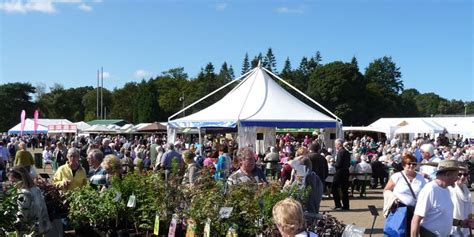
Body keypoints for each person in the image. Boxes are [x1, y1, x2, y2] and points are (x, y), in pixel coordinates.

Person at [411, 160, 474, 236]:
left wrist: (460, 223)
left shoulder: (446, 189)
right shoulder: (430, 190)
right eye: (456, 175)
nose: (457, 178)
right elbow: (416, 220)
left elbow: (444, 217)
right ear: (447, 174)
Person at [383, 154, 426, 235]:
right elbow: (386, 190)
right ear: (403, 165)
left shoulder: (420, 178)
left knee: (412, 233)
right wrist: (393, 199)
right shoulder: (397, 176)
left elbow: (425, 192)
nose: (411, 166)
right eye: (409, 163)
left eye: (414, 164)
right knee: (398, 232)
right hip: (399, 209)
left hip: (415, 210)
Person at [8, 166, 51, 235]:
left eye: (13, 181)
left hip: (29, 230)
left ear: (20, 180)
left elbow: (22, 215)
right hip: (40, 227)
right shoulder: (36, 189)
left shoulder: (23, 194)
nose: (12, 184)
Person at [449, 166, 472, 236]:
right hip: (454, 226)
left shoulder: (466, 189)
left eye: (465, 174)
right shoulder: (450, 189)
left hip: (466, 225)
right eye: (459, 174)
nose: (462, 177)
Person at [332, 138, 351, 211]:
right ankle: (346, 205)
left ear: (338, 144)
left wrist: (334, 163)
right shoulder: (346, 152)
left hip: (340, 172)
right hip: (346, 172)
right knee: (344, 189)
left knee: (334, 188)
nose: (335, 146)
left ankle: (338, 205)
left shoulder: (341, 152)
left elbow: (338, 164)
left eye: (335, 144)